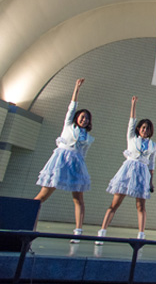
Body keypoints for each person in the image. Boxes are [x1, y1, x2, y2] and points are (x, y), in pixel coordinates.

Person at [35, 78, 94, 242]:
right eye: (82, 117)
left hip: (76, 165)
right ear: (76, 118)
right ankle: (29, 221)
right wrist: (76, 88)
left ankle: (78, 231)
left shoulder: (87, 137)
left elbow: (83, 154)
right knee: (43, 194)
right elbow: (72, 107)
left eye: (87, 118)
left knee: (78, 198)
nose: (84, 120)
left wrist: (80, 169)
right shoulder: (68, 126)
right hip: (60, 161)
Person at [96, 96, 156, 243]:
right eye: (143, 127)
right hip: (128, 171)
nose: (145, 130)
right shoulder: (132, 138)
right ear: (139, 129)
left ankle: (141, 235)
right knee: (115, 203)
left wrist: (151, 182)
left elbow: (152, 164)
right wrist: (133, 105)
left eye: (148, 128)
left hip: (142, 174)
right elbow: (131, 122)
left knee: (141, 206)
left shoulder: (153, 145)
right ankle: (102, 232)